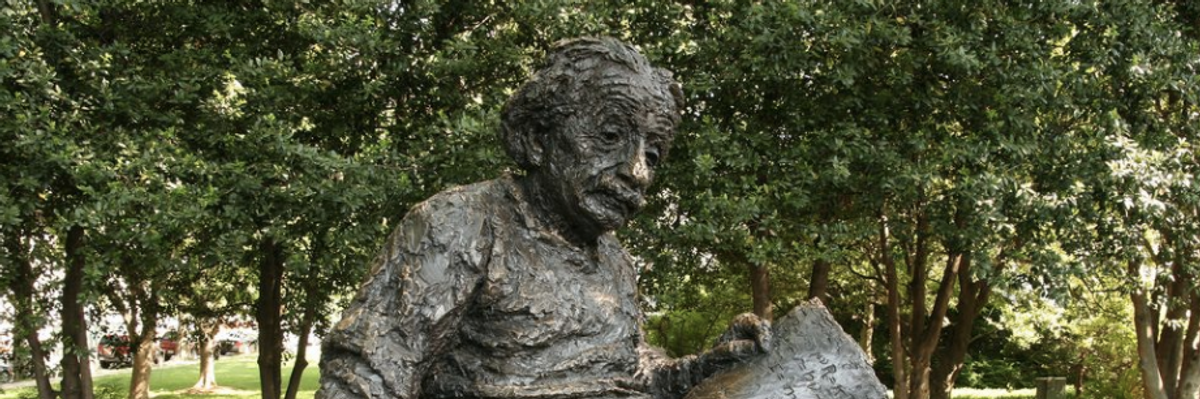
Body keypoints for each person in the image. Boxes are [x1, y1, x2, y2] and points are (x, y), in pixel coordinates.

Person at [317, 37, 770, 399]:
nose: (637, 171)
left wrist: (707, 366)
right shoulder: (462, 224)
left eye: (651, 154)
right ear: (537, 137)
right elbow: (368, 373)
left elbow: (628, 372)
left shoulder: (615, 263)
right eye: (610, 136)